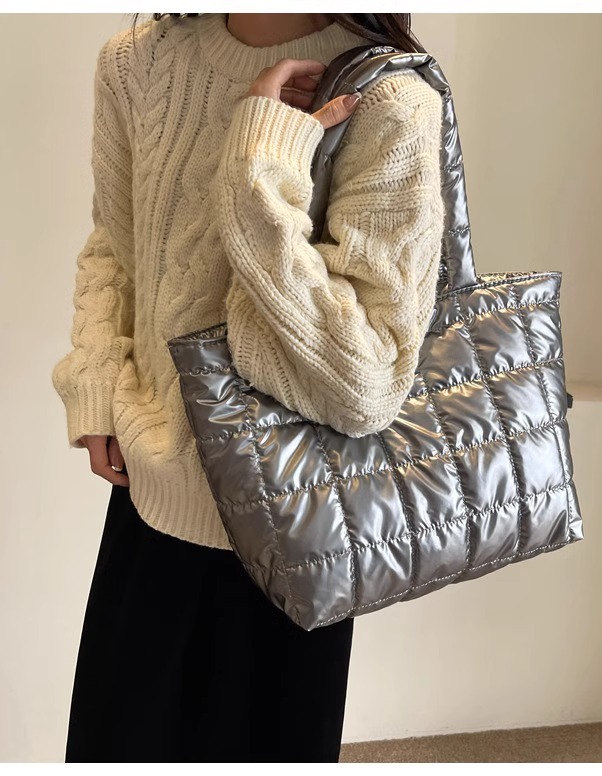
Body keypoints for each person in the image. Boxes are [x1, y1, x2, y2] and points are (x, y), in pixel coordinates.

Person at [51, 11, 446, 763]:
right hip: (150, 495)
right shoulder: (136, 63)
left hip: (297, 528)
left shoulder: (389, 98)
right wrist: (96, 380)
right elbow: (114, 244)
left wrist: (261, 161)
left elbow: (363, 383)